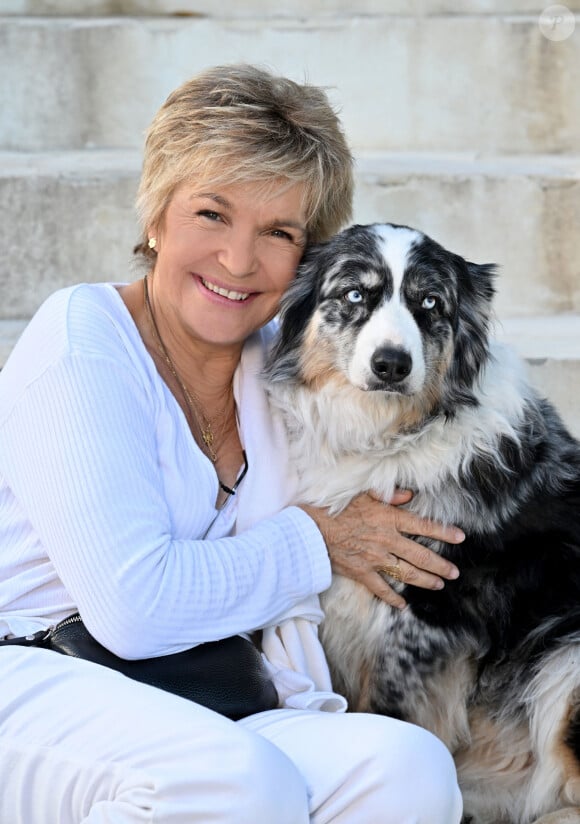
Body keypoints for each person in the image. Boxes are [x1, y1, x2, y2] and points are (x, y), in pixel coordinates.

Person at [0, 64, 465, 823]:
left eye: (278, 232)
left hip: (208, 688)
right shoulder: (81, 343)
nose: (240, 261)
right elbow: (134, 608)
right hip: (34, 675)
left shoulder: (282, 363)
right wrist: (315, 543)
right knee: (233, 781)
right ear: (155, 215)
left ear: (307, 260)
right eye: (212, 214)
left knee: (404, 766)